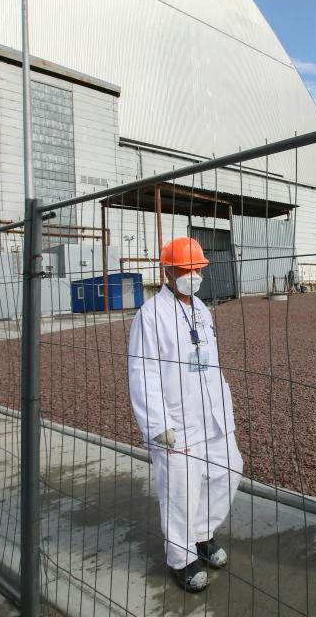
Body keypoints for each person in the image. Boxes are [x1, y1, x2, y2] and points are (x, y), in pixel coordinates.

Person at [128, 237, 243, 593]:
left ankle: (201, 534)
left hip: (212, 414)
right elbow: (142, 372)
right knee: (181, 489)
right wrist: (157, 423)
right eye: (185, 270)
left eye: (197, 269)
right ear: (168, 272)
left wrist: (225, 402)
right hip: (176, 421)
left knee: (228, 471)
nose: (193, 276)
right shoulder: (151, 315)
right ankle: (181, 558)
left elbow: (211, 362)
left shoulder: (202, 309)